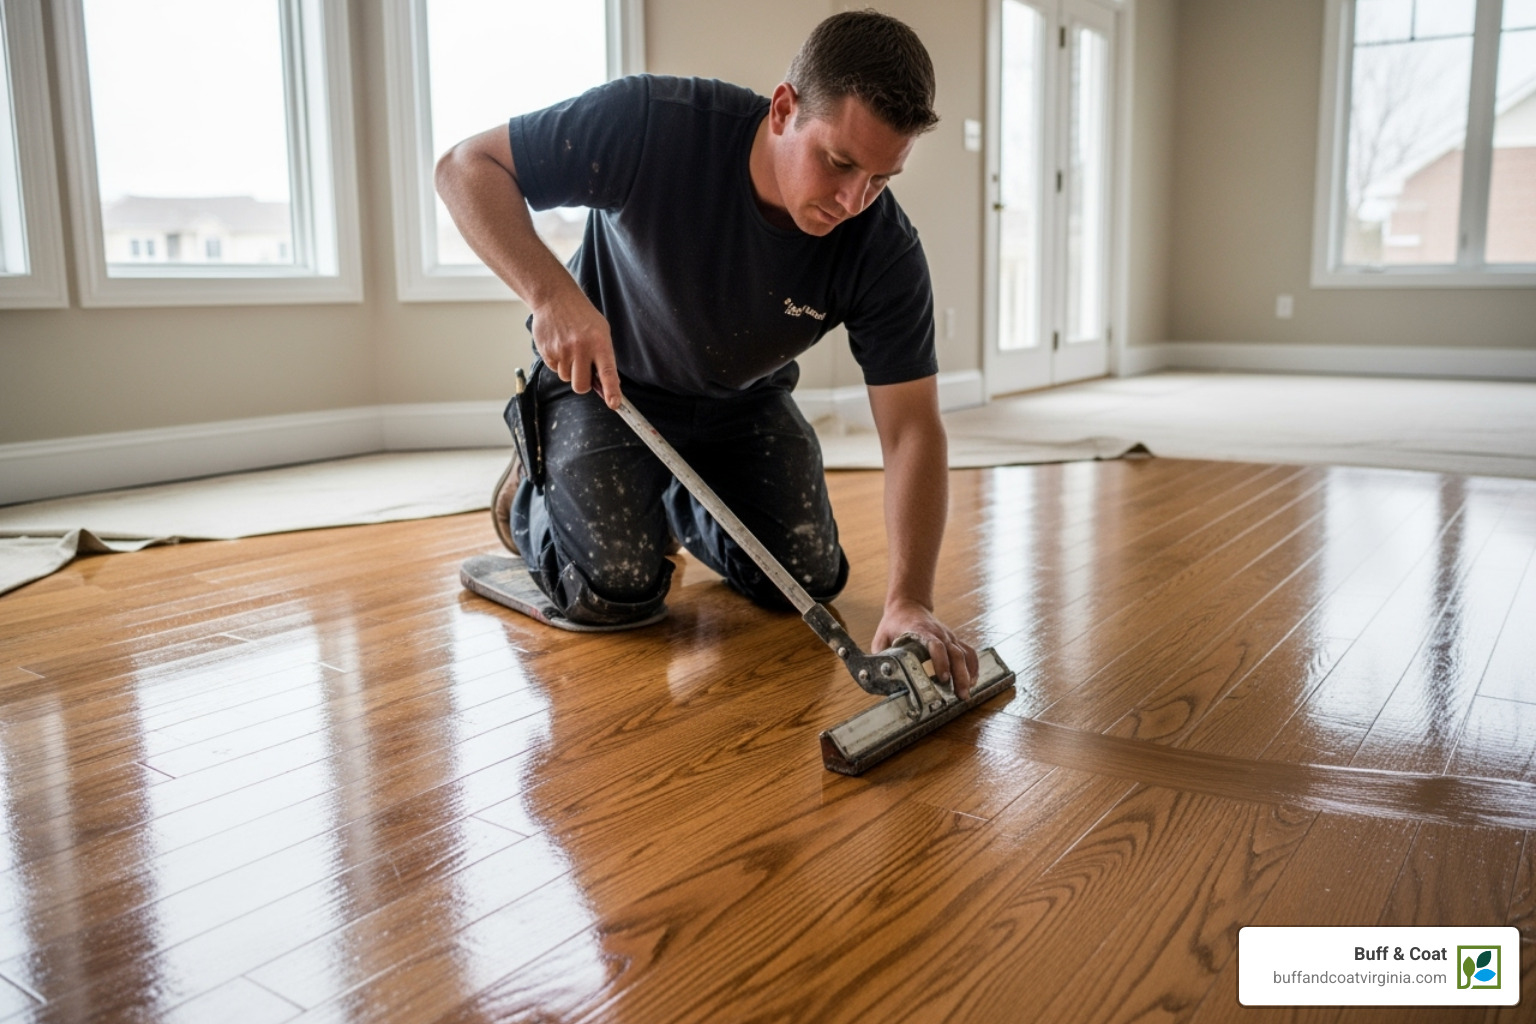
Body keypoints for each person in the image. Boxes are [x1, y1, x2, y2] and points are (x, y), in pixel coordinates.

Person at [435, 9, 980, 695]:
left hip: (741, 404)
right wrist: (552, 295)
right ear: (784, 108)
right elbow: (465, 167)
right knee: (615, 588)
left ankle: (670, 496)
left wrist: (910, 599)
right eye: (839, 162)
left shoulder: (883, 250)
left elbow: (910, 430)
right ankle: (530, 496)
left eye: (880, 179)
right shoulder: (654, 123)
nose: (853, 199)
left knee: (806, 575)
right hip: (608, 389)